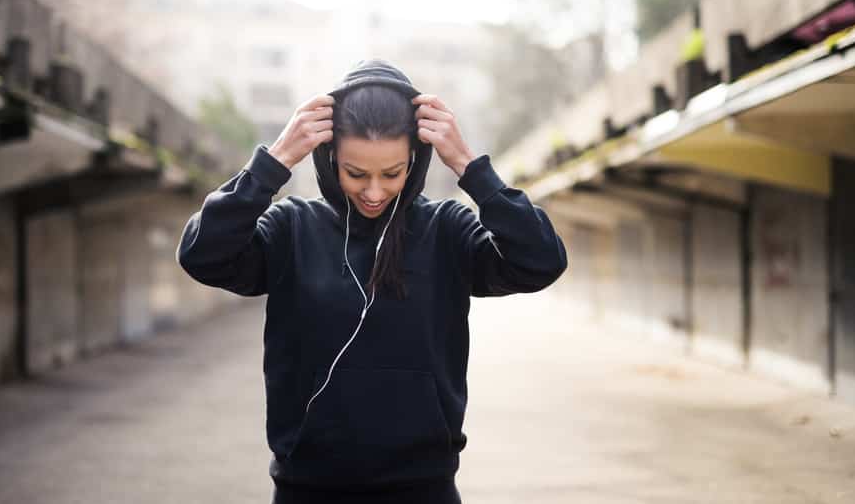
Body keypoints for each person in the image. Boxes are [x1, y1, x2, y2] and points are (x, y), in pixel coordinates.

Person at [176, 61, 568, 503]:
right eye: (356, 174)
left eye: (392, 173)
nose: (375, 192)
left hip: (424, 489)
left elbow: (541, 261)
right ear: (329, 159)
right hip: (306, 489)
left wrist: (469, 167)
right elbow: (202, 254)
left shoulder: (446, 230)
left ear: (415, 163)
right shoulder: (292, 229)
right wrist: (275, 162)